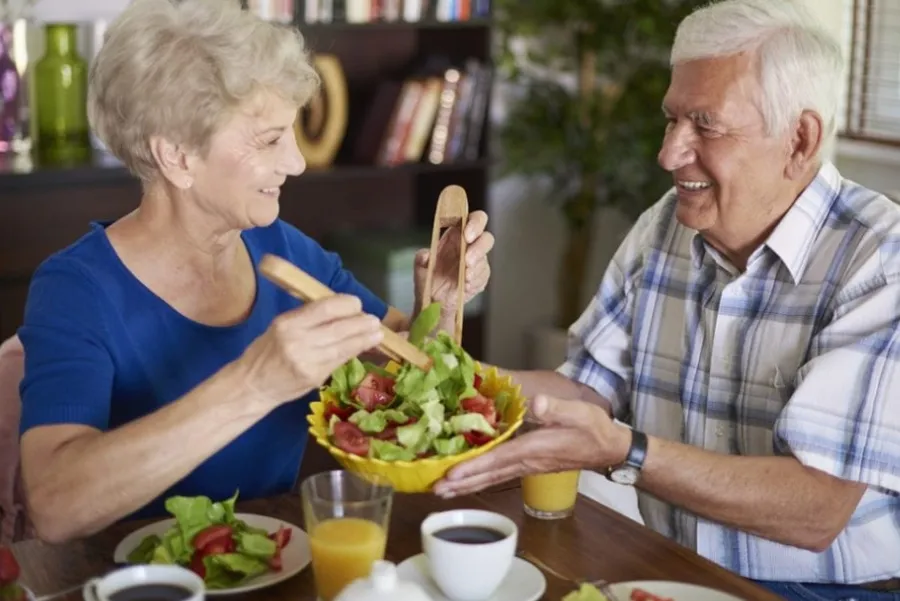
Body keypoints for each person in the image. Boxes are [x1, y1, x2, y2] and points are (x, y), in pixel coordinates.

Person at [435, 1, 900, 599]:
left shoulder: (880, 258)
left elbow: (816, 511)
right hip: (672, 566)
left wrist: (625, 450)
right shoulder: (666, 225)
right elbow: (585, 388)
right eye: (671, 120)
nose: (669, 154)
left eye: (705, 125)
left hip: (830, 591)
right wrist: (441, 371)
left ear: (800, 139)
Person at [17, 0, 493, 545]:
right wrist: (254, 384)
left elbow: (406, 367)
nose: (296, 161)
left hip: (273, 563)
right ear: (176, 157)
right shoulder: (77, 288)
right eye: (269, 139)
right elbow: (54, 505)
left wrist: (442, 302)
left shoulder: (282, 249)